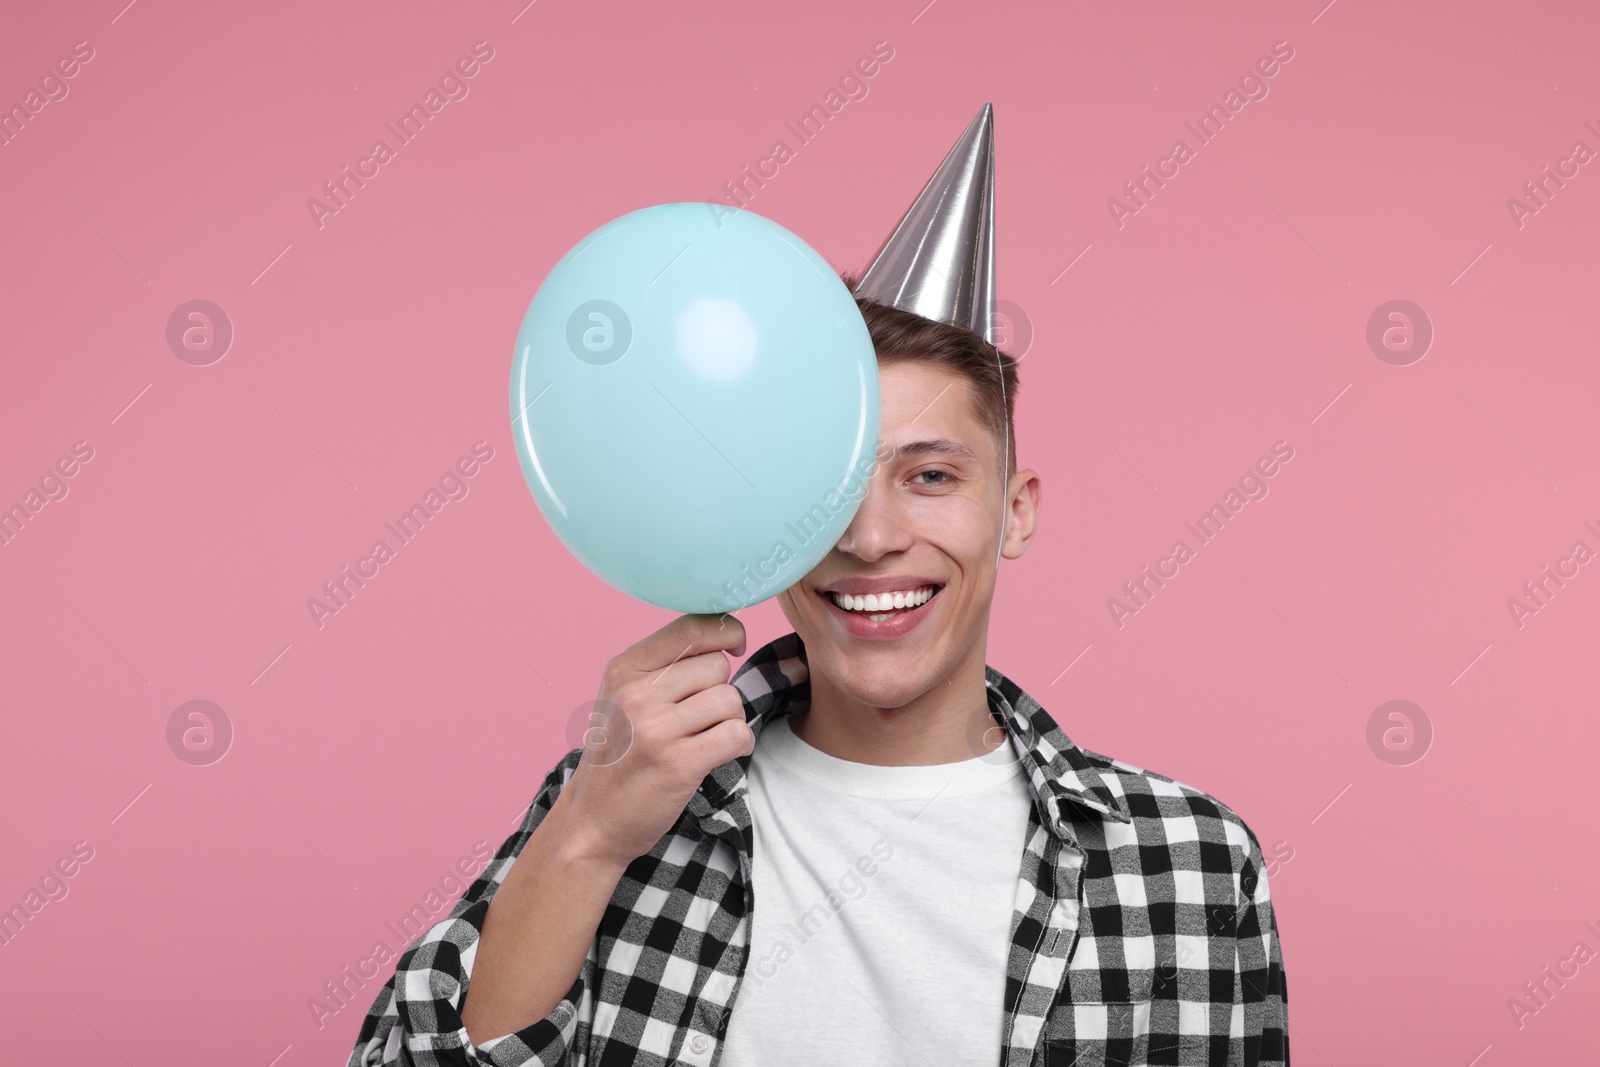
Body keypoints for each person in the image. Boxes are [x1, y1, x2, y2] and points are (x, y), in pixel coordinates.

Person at [346, 104, 1288, 1067]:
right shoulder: (628, 798)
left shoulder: (1189, 865)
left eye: (930, 476)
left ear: (1016, 509)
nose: (871, 537)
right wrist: (585, 835)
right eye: (827, 482)